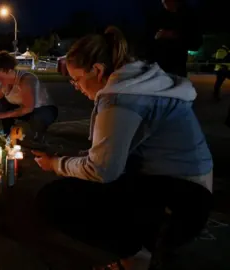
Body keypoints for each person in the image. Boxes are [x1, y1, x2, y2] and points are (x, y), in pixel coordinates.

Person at [33, 27, 213, 270]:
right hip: (191, 193)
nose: (76, 86)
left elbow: (102, 170)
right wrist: (74, 160)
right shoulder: (139, 83)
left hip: (179, 207)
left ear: (97, 70)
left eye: (76, 79)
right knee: (82, 182)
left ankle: (137, 255)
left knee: (54, 199)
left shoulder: (121, 98)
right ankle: (141, 247)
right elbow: (111, 154)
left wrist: (56, 165)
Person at [0, 51, 58, 142]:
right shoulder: (3, 85)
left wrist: (3, 115)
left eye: (1, 78)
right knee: (0, 103)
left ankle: (39, 135)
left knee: (37, 119)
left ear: (9, 71)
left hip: (43, 109)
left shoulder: (26, 80)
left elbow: (28, 108)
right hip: (24, 110)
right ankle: (7, 133)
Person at [147, 0, 202, 77]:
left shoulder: (189, 17)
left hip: (177, 69)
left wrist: (173, 35)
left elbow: (196, 43)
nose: (163, 1)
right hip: (158, 69)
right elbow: (149, 40)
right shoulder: (158, 17)